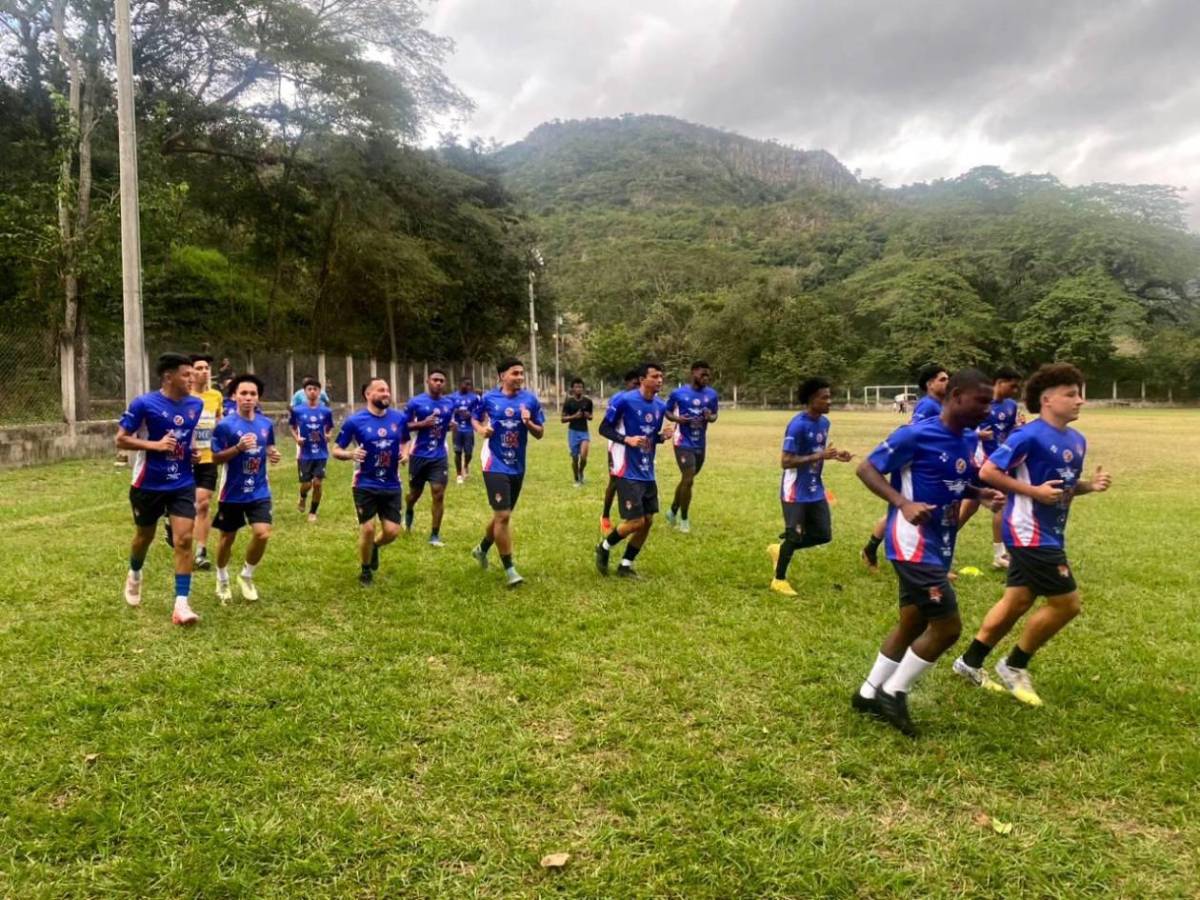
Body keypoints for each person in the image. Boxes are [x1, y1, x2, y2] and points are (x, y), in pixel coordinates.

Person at [851, 368, 1003, 736]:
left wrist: (978, 493)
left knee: (913, 622)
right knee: (948, 628)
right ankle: (894, 691)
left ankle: (868, 692)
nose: (988, 410)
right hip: (911, 543)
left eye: (991, 403)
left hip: (941, 543)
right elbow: (866, 468)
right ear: (955, 397)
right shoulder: (916, 434)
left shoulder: (968, 440)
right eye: (981, 401)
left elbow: (956, 479)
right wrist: (902, 502)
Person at [952, 363, 1111, 706]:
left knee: (1017, 601)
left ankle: (969, 662)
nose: (1080, 400)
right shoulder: (1028, 435)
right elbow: (989, 471)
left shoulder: (1077, 440)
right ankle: (1014, 665)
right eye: (1071, 394)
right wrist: (1032, 492)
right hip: (1028, 532)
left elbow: (1061, 489)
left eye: (1080, 393)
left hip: (1051, 532)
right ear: (1048, 399)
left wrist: (1089, 486)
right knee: (1067, 604)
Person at [116, 353, 205, 626]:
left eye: (194, 374)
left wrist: (192, 453)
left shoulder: (195, 405)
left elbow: (186, 439)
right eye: (187, 375)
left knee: (184, 540)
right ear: (169, 377)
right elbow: (121, 440)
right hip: (148, 483)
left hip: (182, 482)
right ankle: (135, 573)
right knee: (145, 535)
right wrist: (154, 446)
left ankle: (181, 605)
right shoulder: (144, 404)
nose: (193, 378)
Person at [861, 363, 950, 573]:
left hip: (932, 465)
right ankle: (924, 562)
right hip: (916, 465)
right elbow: (915, 432)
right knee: (910, 510)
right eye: (943, 379)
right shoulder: (928, 405)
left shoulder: (939, 405)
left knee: (908, 511)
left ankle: (871, 549)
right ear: (930, 384)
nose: (948, 382)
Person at [768, 377, 853, 596]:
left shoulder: (824, 423)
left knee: (823, 534)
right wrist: (819, 455)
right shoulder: (797, 425)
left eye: (829, 397)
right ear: (811, 400)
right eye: (824, 397)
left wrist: (836, 455)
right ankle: (778, 580)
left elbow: (817, 452)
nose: (829, 401)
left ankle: (781, 549)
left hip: (815, 488)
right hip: (795, 490)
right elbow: (785, 462)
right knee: (794, 535)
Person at [594, 362, 674, 578]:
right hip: (626, 470)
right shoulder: (624, 400)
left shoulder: (659, 406)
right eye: (655, 376)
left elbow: (648, 439)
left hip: (647, 470)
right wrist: (625, 439)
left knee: (648, 521)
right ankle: (604, 547)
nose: (660, 380)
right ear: (642, 379)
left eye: (661, 376)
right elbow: (603, 428)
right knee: (636, 521)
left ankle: (626, 565)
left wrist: (661, 437)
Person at [471, 358, 545, 587]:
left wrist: (528, 423)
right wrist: (482, 429)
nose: (520, 377)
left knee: (500, 516)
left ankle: (481, 549)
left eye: (522, 373)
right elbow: (474, 417)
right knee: (503, 516)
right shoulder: (489, 398)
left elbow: (540, 433)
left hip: (517, 465)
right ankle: (510, 570)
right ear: (502, 376)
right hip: (494, 463)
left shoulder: (530, 400)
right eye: (515, 373)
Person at [332, 377, 411, 586]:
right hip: (364, 484)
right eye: (381, 390)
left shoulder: (399, 418)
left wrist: (405, 454)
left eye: (387, 390)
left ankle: (375, 546)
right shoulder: (354, 421)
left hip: (392, 483)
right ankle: (365, 571)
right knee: (367, 528)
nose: (386, 394)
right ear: (368, 394)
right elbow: (336, 450)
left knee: (392, 532)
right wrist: (351, 454)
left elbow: (405, 442)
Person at [210, 374, 281, 603]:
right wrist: (238, 448)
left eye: (253, 394)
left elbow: (269, 447)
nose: (248, 398)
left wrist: (273, 454)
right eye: (244, 393)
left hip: (259, 489)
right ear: (234, 396)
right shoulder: (225, 426)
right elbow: (216, 457)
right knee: (227, 538)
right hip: (232, 492)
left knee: (262, 533)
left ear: (258, 398)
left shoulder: (265, 424)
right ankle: (221, 578)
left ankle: (246, 575)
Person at [955, 367, 1023, 568]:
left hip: (1001, 461)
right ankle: (1000, 554)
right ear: (999, 382)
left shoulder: (1011, 405)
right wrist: (977, 435)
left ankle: (940, 544)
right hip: (981, 463)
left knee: (970, 507)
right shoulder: (980, 402)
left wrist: (1018, 431)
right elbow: (960, 426)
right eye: (1012, 386)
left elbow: (1012, 429)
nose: (1015, 390)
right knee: (1004, 502)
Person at [665, 360, 719, 533]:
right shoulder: (678, 393)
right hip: (682, 440)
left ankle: (673, 509)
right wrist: (677, 419)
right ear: (693, 372)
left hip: (700, 442)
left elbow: (714, 416)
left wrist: (709, 417)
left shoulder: (711, 395)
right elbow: (667, 411)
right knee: (688, 479)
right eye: (703, 374)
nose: (706, 377)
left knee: (686, 481)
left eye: (708, 375)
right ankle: (684, 519)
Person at [403, 369, 455, 546]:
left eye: (441, 380)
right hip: (418, 454)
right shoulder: (415, 402)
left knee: (438, 494)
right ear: (428, 381)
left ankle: (434, 535)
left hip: (439, 455)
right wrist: (422, 424)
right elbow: (403, 426)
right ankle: (409, 509)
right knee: (414, 494)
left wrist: (450, 426)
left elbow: (445, 425)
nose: (438, 383)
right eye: (435, 380)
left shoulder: (449, 403)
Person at [184, 353, 223, 571]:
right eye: (199, 368)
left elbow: (219, 422)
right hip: (186, 459)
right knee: (186, 503)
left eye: (206, 367)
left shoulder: (216, 396)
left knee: (204, 503)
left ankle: (200, 550)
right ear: (190, 372)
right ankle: (176, 529)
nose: (204, 371)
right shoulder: (184, 397)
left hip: (209, 457)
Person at [600, 369, 642, 532]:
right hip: (618, 445)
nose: (637, 387)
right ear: (627, 383)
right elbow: (606, 426)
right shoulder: (619, 399)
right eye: (634, 384)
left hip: (637, 445)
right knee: (615, 481)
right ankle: (605, 516)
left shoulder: (643, 399)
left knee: (638, 479)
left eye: (639, 384)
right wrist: (624, 439)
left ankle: (635, 515)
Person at [289, 376, 335, 523]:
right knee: (306, 484)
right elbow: (291, 426)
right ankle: (302, 497)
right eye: (309, 389)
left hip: (321, 453)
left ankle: (313, 512)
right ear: (305, 392)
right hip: (305, 453)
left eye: (315, 389)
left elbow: (330, 427)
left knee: (317, 483)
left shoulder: (326, 411)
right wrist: (297, 439)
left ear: (319, 392)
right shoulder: (298, 410)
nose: (313, 392)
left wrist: (328, 435)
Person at [447, 376, 482, 484]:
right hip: (457, 428)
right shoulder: (452, 397)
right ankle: (459, 475)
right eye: (466, 384)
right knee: (457, 452)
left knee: (468, 452)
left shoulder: (474, 398)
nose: (467, 386)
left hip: (468, 428)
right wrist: (454, 415)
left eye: (469, 384)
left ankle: (466, 464)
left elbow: (479, 413)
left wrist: (470, 414)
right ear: (460, 384)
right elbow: (448, 411)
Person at [561, 378, 594, 486]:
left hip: (584, 432)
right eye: (576, 387)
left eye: (580, 387)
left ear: (583, 388)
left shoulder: (588, 402)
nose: (578, 389)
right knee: (575, 458)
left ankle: (581, 472)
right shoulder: (569, 402)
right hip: (573, 432)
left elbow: (591, 416)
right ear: (572, 389)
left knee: (584, 457)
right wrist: (574, 416)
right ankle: (576, 477)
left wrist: (587, 415)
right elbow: (562, 419)